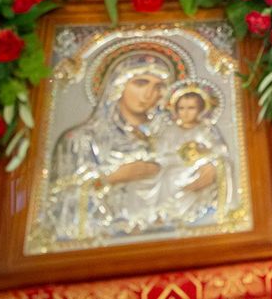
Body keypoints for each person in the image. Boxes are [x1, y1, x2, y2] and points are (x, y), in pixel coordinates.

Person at [46, 51, 176, 240]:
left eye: (159, 87)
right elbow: (58, 203)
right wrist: (112, 178)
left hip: (164, 237)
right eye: (140, 83)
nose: (149, 94)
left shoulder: (168, 138)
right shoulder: (81, 140)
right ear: (118, 86)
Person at [155, 84, 232, 225]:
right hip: (174, 166)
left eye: (191, 108)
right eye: (181, 108)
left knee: (201, 170)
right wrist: (176, 157)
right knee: (167, 175)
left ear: (200, 109)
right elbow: (160, 153)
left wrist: (202, 152)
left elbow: (219, 149)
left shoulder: (203, 129)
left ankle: (186, 209)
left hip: (196, 166)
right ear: (175, 110)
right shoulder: (170, 131)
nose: (185, 112)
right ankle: (167, 212)